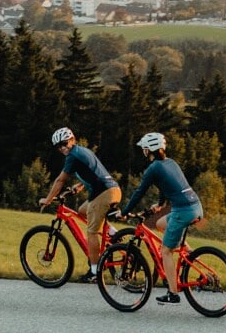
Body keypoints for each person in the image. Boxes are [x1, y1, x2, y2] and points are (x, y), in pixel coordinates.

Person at [118, 131, 201, 305]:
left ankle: (173, 293)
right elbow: (167, 184)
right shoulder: (170, 162)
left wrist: (125, 212)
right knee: (160, 223)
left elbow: (139, 192)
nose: (144, 152)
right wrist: (160, 204)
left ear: (150, 150)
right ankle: (190, 254)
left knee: (165, 252)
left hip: (183, 211)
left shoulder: (153, 168)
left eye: (145, 149)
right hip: (195, 207)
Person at [40, 126, 120, 282]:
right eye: (58, 146)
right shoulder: (83, 151)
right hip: (112, 190)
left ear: (72, 140)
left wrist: (48, 199)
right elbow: (92, 171)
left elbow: (60, 180)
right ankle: (112, 233)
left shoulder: (72, 156)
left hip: (103, 194)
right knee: (82, 211)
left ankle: (95, 272)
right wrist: (80, 185)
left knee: (91, 232)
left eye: (64, 143)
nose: (62, 148)